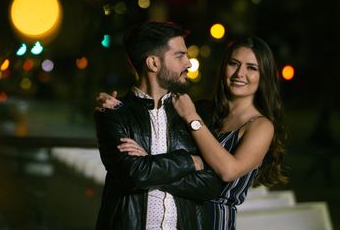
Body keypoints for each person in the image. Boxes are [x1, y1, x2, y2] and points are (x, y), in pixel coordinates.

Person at [97, 35, 288, 230]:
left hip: (216, 220)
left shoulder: (260, 126)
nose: (240, 73)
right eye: (234, 63)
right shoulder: (205, 111)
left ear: (263, 76)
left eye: (252, 68)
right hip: (184, 215)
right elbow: (154, 113)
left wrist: (152, 168)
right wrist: (117, 106)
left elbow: (228, 171)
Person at [94, 21, 223, 230]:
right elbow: (133, 174)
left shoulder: (194, 115)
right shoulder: (113, 113)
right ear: (153, 63)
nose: (188, 64)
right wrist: (191, 161)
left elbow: (212, 184)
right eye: (180, 56)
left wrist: (149, 163)